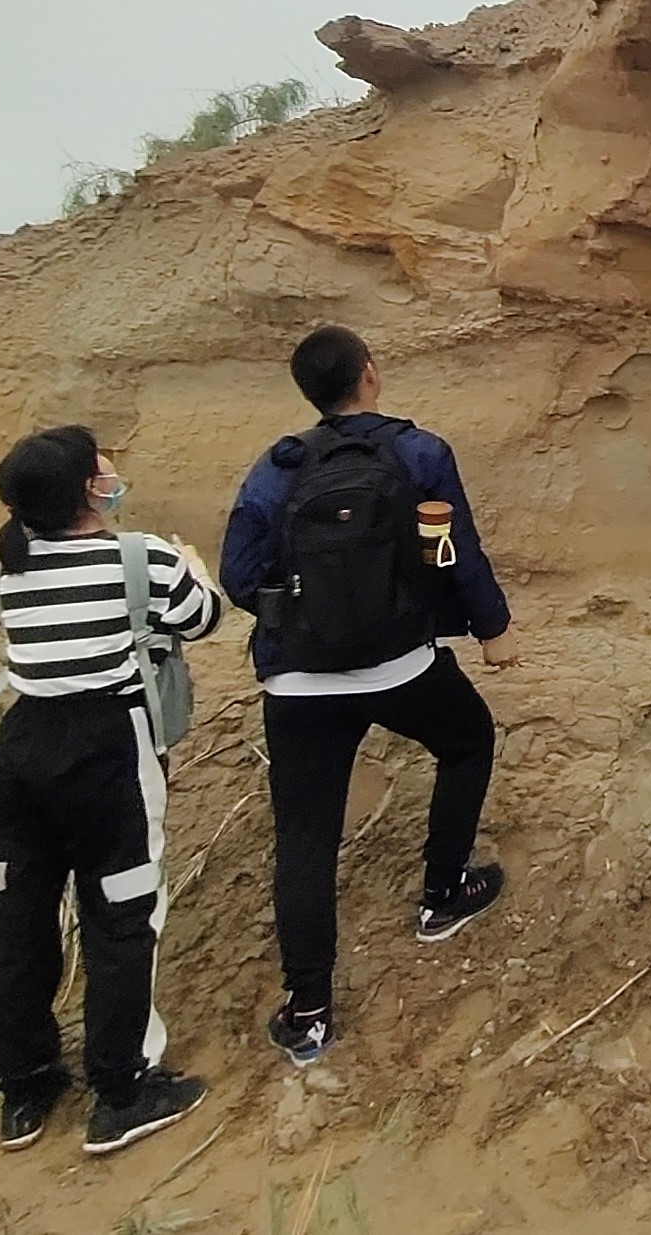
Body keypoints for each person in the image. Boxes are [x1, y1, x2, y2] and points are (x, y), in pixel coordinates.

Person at [222, 326, 516, 1065]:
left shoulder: (277, 468)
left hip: (297, 681)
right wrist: (490, 627)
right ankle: (443, 894)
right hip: (399, 665)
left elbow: (238, 575)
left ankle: (309, 1013)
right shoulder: (419, 454)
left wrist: (307, 615)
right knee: (467, 740)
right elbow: (455, 552)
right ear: (371, 375)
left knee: (305, 837)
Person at [0, 425, 223, 1155]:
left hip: (22, 748)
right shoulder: (140, 556)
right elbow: (203, 616)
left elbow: (13, 626)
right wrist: (193, 566)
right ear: (89, 489)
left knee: (17, 914)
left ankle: (25, 1084)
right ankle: (122, 1089)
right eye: (100, 466)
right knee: (122, 913)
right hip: (106, 746)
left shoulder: (6, 565)